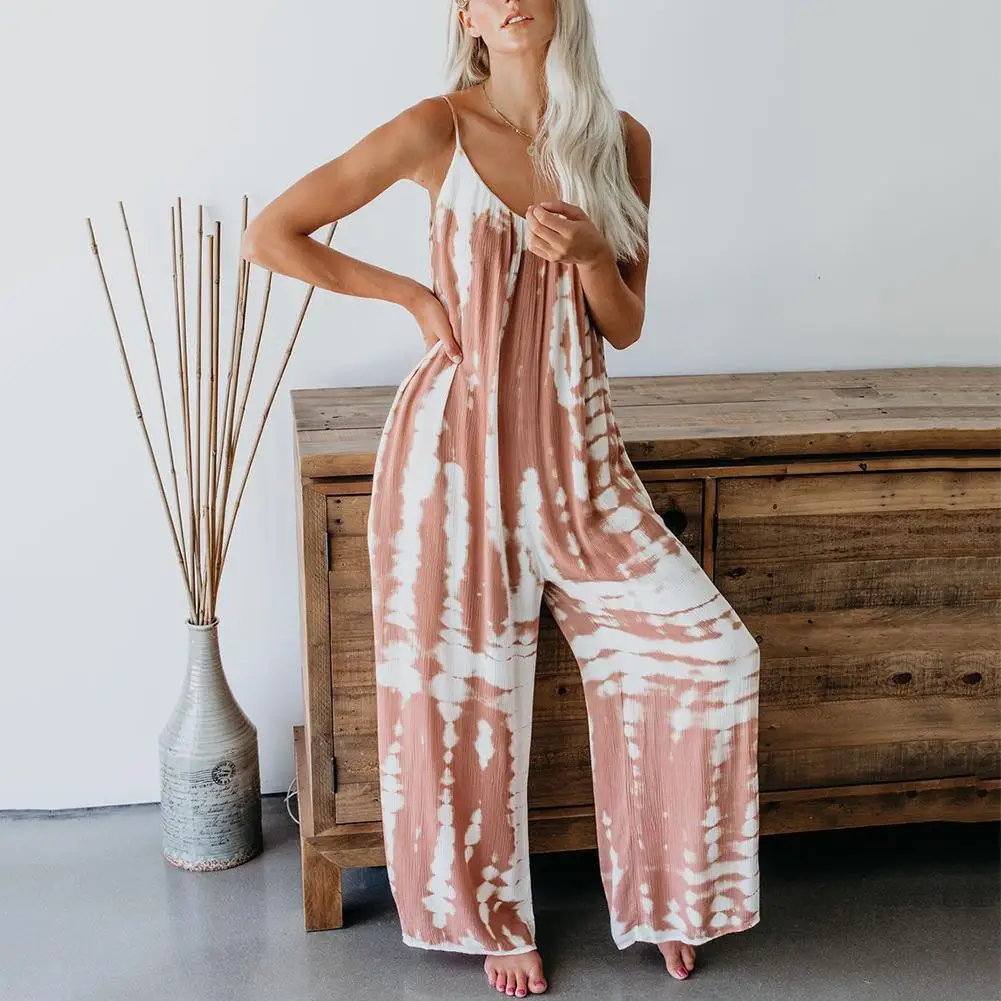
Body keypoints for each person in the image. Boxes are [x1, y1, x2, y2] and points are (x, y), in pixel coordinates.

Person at [243, 1, 761, 996]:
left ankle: (668, 895)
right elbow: (272, 235)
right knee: (464, 695)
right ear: (468, 15)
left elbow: (624, 324)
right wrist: (411, 296)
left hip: (581, 462)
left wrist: (591, 255)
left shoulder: (621, 141)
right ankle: (491, 918)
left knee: (710, 655)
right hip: (454, 457)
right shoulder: (436, 126)